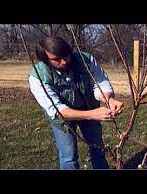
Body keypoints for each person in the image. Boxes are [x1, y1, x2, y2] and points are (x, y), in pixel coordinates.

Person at [28, 36, 123, 169]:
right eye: (56, 59)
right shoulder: (37, 77)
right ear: (45, 60)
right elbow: (57, 110)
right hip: (63, 120)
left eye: (66, 55)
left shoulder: (86, 60)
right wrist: (92, 114)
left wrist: (109, 99)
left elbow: (99, 83)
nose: (64, 62)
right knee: (68, 157)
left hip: (89, 107)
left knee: (98, 150)